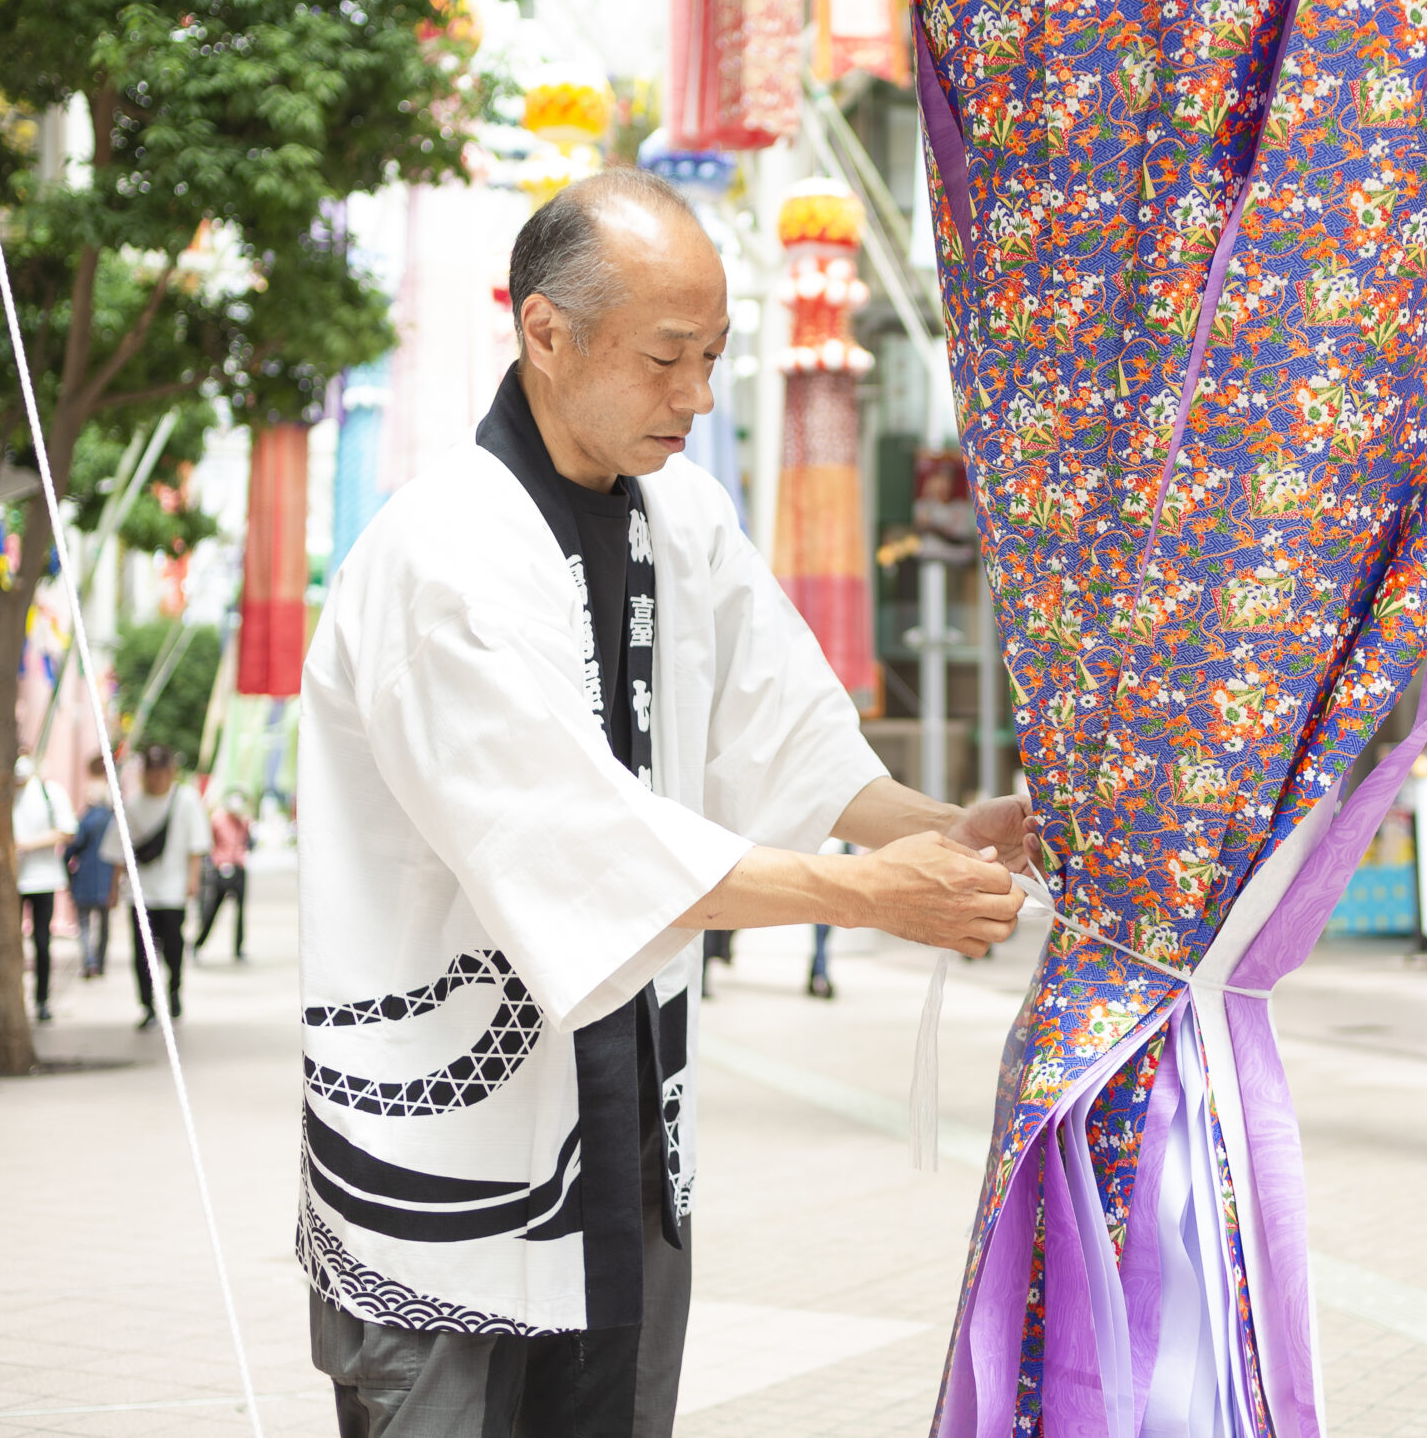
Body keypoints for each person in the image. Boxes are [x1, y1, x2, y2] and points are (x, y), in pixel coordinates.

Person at [298, 169, 1026, 1438]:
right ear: (544, 332)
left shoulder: (679, 517)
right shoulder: (440, 554)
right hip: (438, 1166)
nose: (696, 397)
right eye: (665, 358)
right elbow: (570, 839)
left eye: (713, 357)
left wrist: (936, 834)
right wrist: (866, 897)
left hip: (621, 1141)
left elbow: (787, 733)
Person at [124, 744, 209, 1030]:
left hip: (173, 892)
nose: (157, 777)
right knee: (143, 952)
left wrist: (192, 879)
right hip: (140, 893)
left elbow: (196, 844)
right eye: (152, 771)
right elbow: (118, 850)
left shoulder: (186, 800)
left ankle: (173, 991)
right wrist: (114, 889)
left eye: (162, 771)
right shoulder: (133, 804)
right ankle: (147, 1004)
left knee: (173, 948)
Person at [11, 755, 76, 1022]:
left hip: (43, 878)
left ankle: (41, 1000)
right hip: (11, 881)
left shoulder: (50, 792)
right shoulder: (2, 792)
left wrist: (26, 845)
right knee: (9, 942)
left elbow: (67, 830)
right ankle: (12, 998)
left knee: (41, 941)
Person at [64, 777, 117, 978]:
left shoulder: (85, 820)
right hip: (106, 878)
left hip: (85, 878)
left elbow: (72, 848)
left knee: (84, 924)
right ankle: (100, 962)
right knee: (104, 925)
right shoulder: (112, 819)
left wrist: (67, 869)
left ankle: (89, 961)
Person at [194, 788, 252, 961]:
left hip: (239, 867)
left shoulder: (244, 822)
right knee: (212, 910)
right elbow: (208, 843)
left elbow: (247, 842)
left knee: (241, 912)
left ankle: (238, 949)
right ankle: (198, 943)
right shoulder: (217, 820)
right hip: (221, 868)